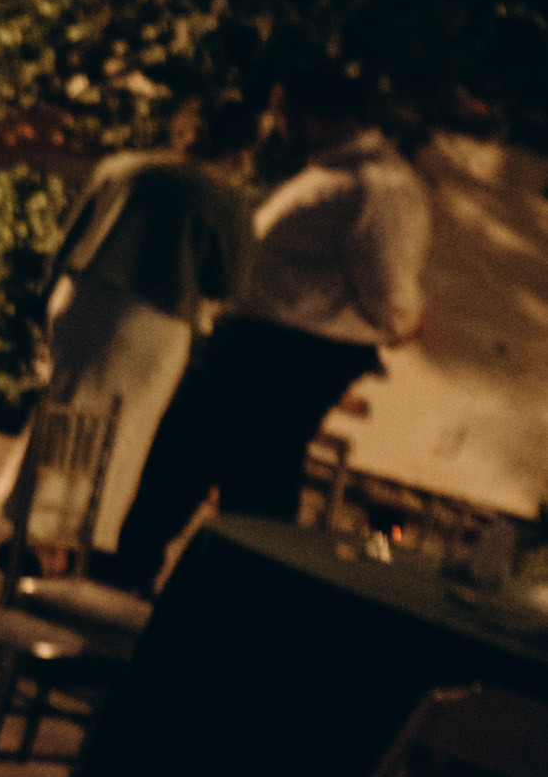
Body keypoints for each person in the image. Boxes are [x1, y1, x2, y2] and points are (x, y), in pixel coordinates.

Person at [94, 78, 436, 592]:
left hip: (292, 349)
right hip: (266, 341)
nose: (281, 130)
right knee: (191, 455)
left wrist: (402, 322)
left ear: (322, 117)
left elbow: (384, 276)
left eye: (288, 117)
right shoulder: (338, 174)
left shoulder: (379, 185)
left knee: (251, 475)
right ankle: (135, 573)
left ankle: (234, 601)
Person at [0, 111, 250, 561]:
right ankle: (59, 540)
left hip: (81, 295)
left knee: (65, 411)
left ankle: (29, 524)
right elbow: (227, 281)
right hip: (151, 318)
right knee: (117, 433)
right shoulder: (221, 195)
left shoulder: (123, 167)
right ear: (240, 151)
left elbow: (71, 235)